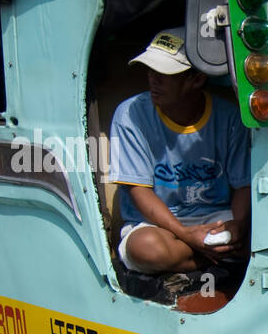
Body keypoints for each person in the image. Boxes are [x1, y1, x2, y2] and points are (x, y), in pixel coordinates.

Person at [108, 27, 251, 276]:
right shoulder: (130, 114)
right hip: (158, 226)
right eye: (150, 70)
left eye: (164, 73)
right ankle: (219, 257)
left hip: (216, 220)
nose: (153, 79)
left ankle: (207, 254)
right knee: (146, 249)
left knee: (266, 235)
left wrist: (237, 225)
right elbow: (139, 191)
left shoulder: (229, 117)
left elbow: (242, 185)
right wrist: (186, 235)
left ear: (196, 79)